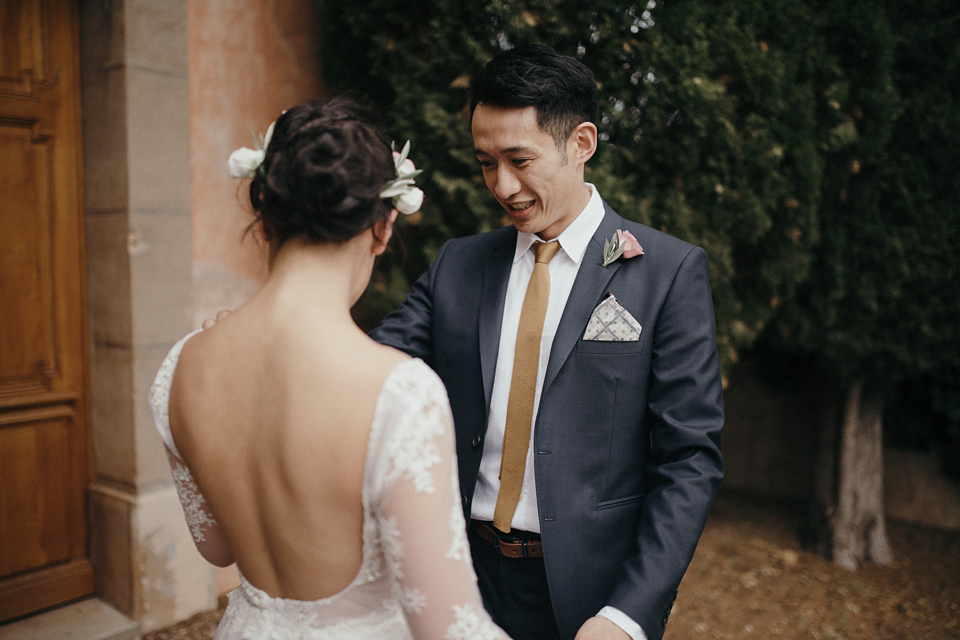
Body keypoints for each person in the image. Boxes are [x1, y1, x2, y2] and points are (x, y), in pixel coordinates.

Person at [369, 44, 724, 640]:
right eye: (485, 162)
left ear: (581, 142)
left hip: (589, 596)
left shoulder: (668, 272)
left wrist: (626, 615)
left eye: (519, 159)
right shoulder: (459, 264)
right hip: (456, 578)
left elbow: (689, 460)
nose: (503, 186)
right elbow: (369, 368)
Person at [149, 97, 511, 640]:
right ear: (384, 227)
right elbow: (450, 630)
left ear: (264, 213)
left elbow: (216, 546)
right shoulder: (398, 393)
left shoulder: (180, 365)